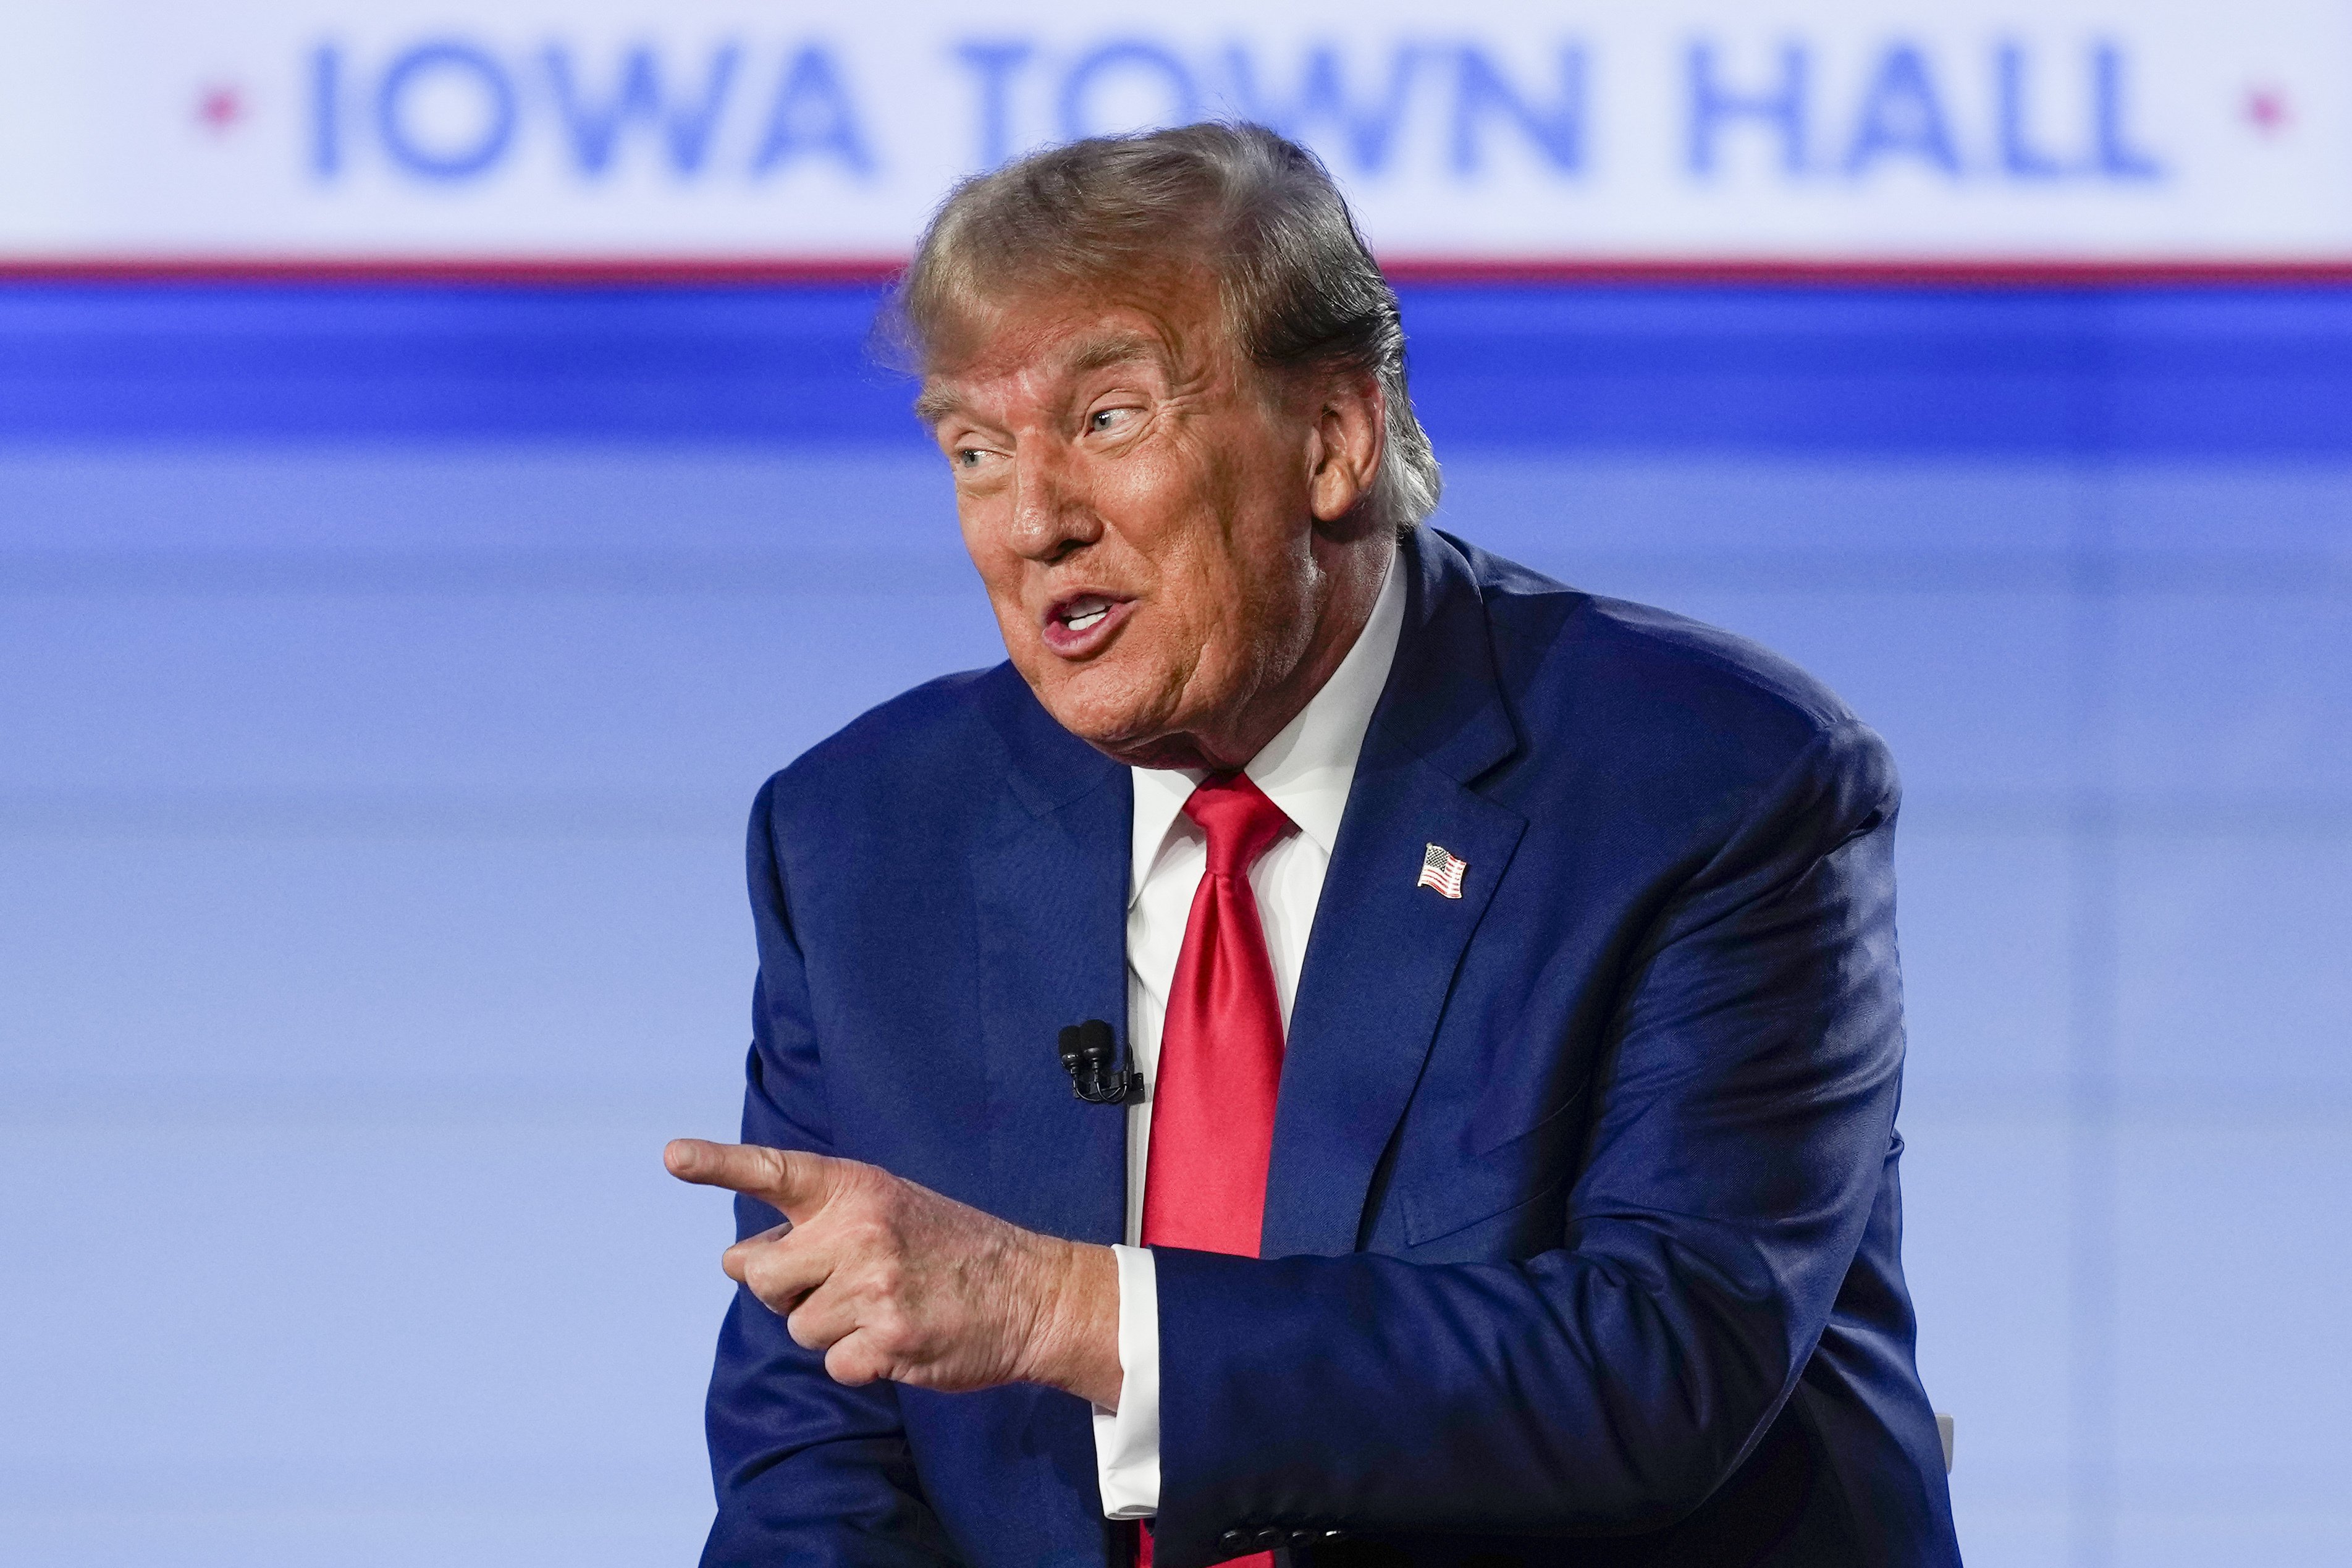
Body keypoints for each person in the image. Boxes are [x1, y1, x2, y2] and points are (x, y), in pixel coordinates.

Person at [663, 122, 1962, 1568]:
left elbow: (1659, 1362)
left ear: (1333, 441)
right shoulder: (865, 833)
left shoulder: (1706, 782)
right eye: (973, 449)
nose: (1030, 520)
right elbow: (814, 1446)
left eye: (1106, 420)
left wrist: (1066, 1313)